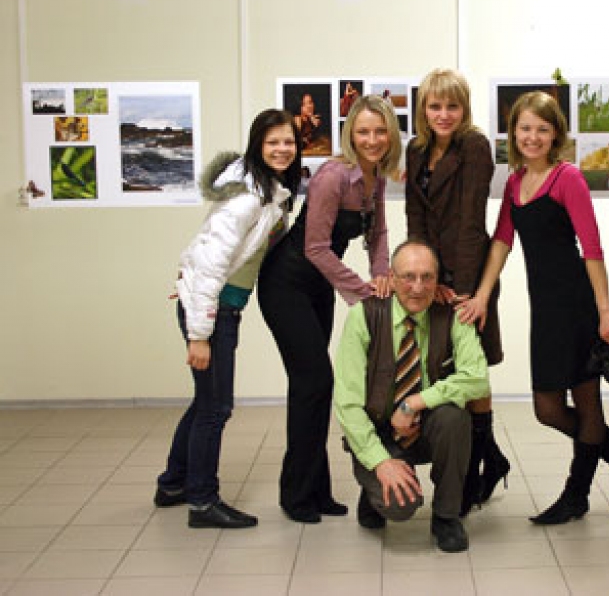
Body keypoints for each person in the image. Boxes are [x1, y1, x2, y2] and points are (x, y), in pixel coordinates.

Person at [459, 91, 609, 525]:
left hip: (578, 306)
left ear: (555, 135)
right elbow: (502, 241)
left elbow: (593, 249)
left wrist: (605, 311)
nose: (532, 136)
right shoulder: (514, 183)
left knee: (587, 408)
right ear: (514, 133)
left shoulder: (569, 179)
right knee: (547, 409)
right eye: (525, 128)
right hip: (544, 309)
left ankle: (576, 494)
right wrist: (483, 295)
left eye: (542, 130)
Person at [155, 109, 302, 528]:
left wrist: (189, 286)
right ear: (258, 144)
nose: (281, 149)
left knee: (205, 401)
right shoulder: (246, 198)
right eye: (273, 142)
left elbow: (203, 253)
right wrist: (199, 333)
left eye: (288, 142)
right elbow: (213, 260)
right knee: (216, 408)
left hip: (215, 306)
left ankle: (173, 483)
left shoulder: (269, 191)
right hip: (214, 313)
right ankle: (202, 501)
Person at [257, 95, 401, 523]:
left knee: (316, 387)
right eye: (363, 132)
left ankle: (316, 490)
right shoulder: (332, 176)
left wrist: (383, 278)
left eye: (379, 131)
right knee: (314, 382)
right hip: (287, 283)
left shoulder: (375, 179)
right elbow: (316, 247)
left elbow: (376, 237)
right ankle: (296, 495)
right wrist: (362, 291)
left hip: (318, 287)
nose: (372, 139)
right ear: (350, 134)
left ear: (390, 134)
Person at [334, 240, 489, 553]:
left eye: (427, 277)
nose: (418, 287)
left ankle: (446, 517)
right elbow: (347, 403)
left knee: (454, 416)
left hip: (425, 427)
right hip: (379, 432)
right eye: (408, 277)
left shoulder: (453, 314)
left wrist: (413, 403)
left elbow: (477, 380)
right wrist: (381, 463)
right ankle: (373, 488)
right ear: (391, 278)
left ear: (438, 280)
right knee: (401, 506)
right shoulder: (363, 316)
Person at [405, 68, 510, 516]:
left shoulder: (474, 146)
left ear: (464, 108)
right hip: (430, 279)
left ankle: (475, 470)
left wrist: (466, 291)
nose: (443, 114)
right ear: (423, 110)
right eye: (434, 106)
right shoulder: (416, 149)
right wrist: (418, 275)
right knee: (446, 369)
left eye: (452, 105)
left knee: (472, 368)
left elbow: (470, 223)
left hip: (467, 279)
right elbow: (415, 217)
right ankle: (489, 461)